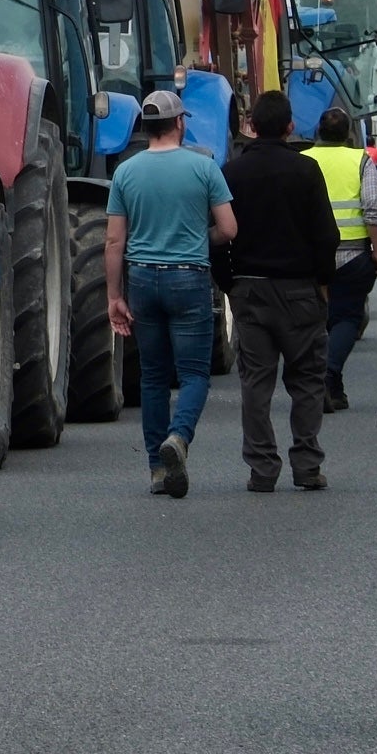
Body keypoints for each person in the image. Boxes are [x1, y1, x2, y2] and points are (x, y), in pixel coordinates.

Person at [105, 87, 238, 498]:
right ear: (179, 123)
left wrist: (114, 296)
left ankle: (156, 470)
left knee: (153, 377)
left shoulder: (125, 172)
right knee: (195, 373)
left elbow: (113, 241)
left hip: (142, 279)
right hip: (189, 276)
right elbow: (229, 229)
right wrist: (198, 238)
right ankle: (178, 438)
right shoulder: (204, 167)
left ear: (146, 128)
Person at [221, 90, 340, 491]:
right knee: (306, 380)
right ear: (290, 126)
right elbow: (327, 235)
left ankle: (262, 469)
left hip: (250, 289)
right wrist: (322, 282)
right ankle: (306, 465)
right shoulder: (305, 170)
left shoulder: (232, 172)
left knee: (256, 382)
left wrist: (229, 283)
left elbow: (220, 235)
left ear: (251, 126)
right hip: (299, 289)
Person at [308, 107, 377, 411]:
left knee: (316, 318)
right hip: (353, 253)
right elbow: (373, 206)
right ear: (348, 134)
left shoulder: (304, 159)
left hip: (310, 254)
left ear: (318, 131)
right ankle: (329, 376)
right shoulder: (361, 160)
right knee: (346, 317)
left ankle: (329, 383)